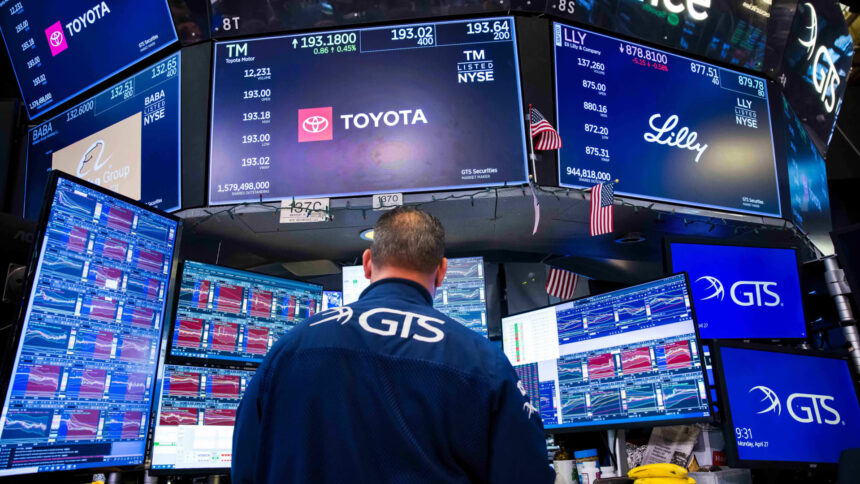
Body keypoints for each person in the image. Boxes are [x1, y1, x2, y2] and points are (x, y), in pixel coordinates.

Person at [232, 206, 554, 483]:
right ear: (441, 271)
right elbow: (528, 474)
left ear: (367, 262)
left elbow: (246, 469)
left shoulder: (287, 349)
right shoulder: (484, 362)